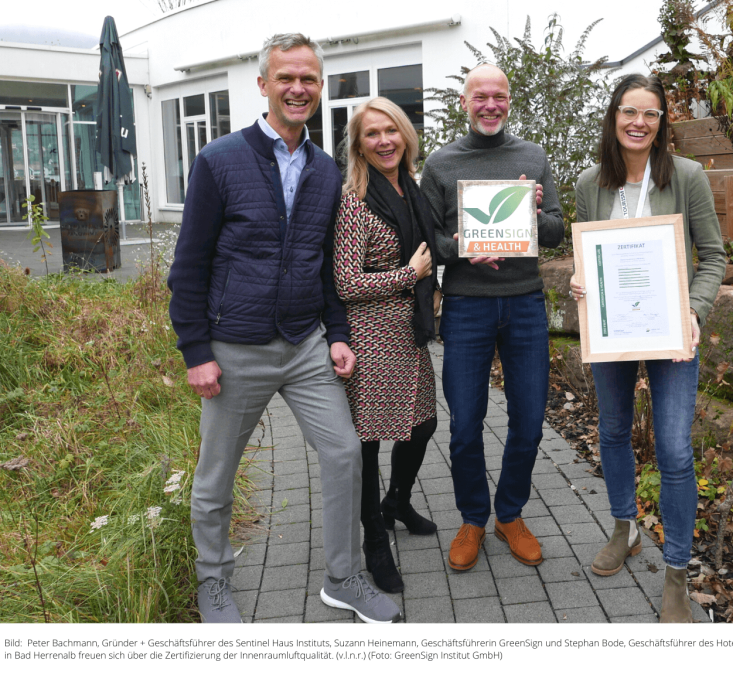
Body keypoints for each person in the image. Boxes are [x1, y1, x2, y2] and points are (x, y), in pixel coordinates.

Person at [167, 33, 400, 624]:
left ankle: (343, 578)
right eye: (286, 78)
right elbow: (189, 266)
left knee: (346, 452)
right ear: (264, 84)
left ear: (321, 88)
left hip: (304, 345)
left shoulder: (325, 171)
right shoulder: (219, 160)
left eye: (309, 80)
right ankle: (214, 584)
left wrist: (340, 335)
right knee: (216, 475)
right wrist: (196, 349)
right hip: (233, 349)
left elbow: (324, 266)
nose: (298, 89)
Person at [569, 74, 726, 622]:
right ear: (614, 117)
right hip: (613, 329)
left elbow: (714, 255)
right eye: (629, 111)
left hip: (669, 330)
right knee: (611, 430)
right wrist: (579, 281)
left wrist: (693, 309)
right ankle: (625, 527)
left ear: (662, 123)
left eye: (651, 114)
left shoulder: (686, 176)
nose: (639, 122)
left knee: (675, 450)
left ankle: (677, 574)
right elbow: (589, 255)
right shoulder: (592, 182)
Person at [419, 63, 564, 571]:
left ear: (509, 100)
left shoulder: (532, 156)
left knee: (528, 421)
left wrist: (537, 210)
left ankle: (510, 513)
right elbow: (429, 241)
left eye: (498, 96)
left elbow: (554, 233)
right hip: (466, 307)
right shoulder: (440, 164)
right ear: (464, 102)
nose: (490, 105)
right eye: (480, 96)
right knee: (465, 424)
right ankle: (473, 518)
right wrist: (459, 248)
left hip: (524, 303)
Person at [333, 98, 441, 594]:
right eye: (372, 134)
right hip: (373, 335)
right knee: (370, 443)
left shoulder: (410, 186)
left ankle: (396, 501)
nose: (384, 141)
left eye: (391, 130)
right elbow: (347, 282)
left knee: (423, 424)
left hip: (409, 330)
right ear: (358, 145)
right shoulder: (355, 199)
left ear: (405, 135)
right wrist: (410, 275)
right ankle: (374, 543)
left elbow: (430, 246)